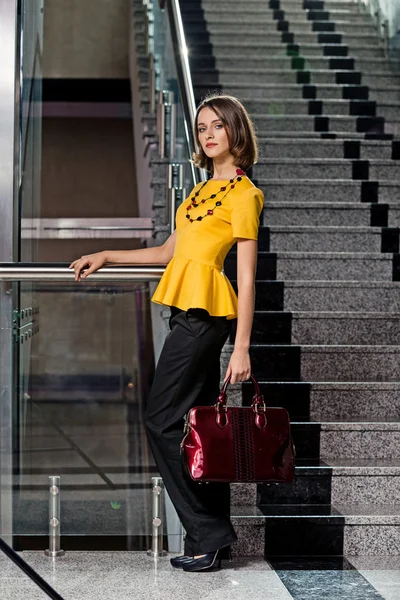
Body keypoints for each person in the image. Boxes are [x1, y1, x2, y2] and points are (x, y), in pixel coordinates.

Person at [69, 93, 264, 572]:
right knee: (192, 425)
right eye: (201, 128)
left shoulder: (244, 195)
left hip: (208, 317)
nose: (208, 134)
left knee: (159, 420)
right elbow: (166, 254)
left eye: (217, 125)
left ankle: (209, 532)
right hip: (184, 312)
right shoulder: (197, 194)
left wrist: (241, 347)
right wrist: (108, 256)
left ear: (236, 130)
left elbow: (247, 277)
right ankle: (214, 536)